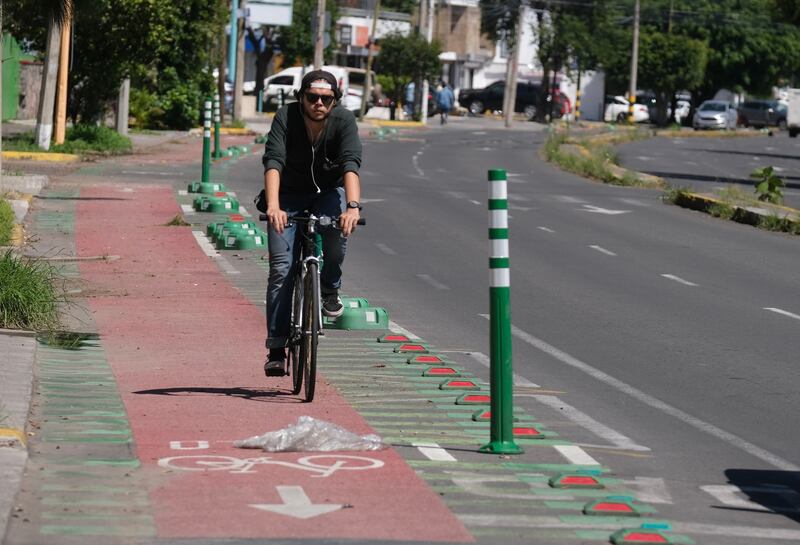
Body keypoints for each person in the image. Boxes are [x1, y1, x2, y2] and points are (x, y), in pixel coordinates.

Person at [261, 70, 363, 376]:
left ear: (335, 101)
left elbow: (350, 163)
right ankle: (277, 349)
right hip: (288, 196)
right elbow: (273, 160)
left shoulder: (344, 121)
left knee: (336, 232)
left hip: (327, 194)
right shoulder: (285, 117)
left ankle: (330, 289)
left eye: (326, 98)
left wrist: (353, 208)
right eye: (312, 97)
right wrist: (274, 205)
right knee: (281, 268)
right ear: (301, 97)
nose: (319, 103)